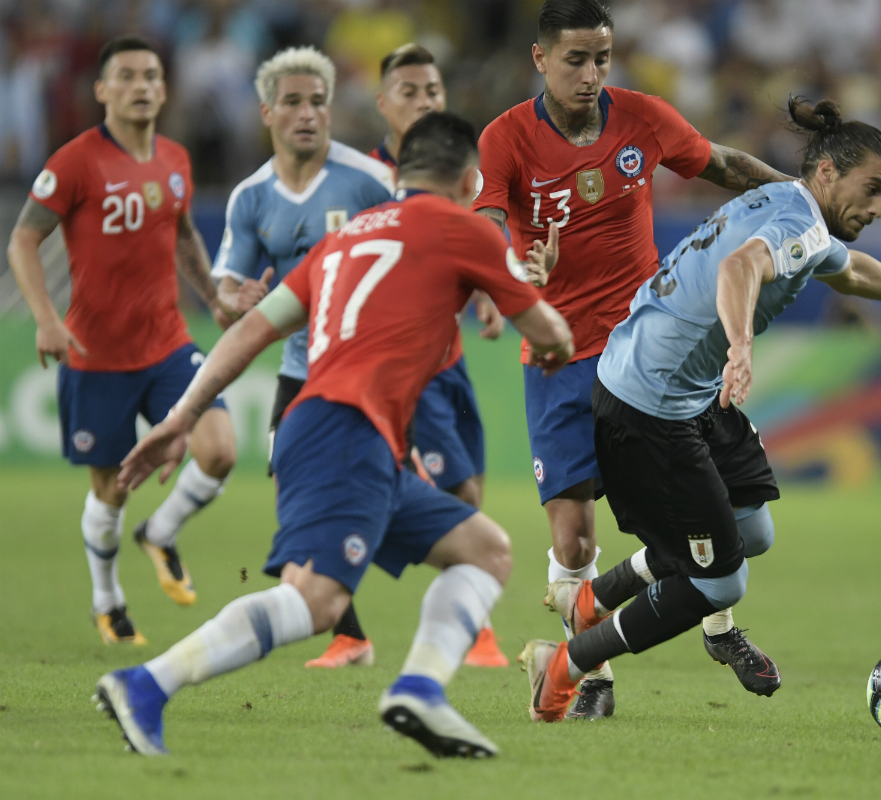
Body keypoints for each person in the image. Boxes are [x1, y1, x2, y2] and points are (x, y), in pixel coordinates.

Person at [94, 112, 573, 758]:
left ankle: (422, 692)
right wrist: (544, 332)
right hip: (347, 431)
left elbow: (249, 332)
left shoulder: (342, 241)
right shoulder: (464, 228)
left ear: (399, 176)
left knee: (485, 549)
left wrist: (181, 415)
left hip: (332, 430)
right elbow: (553, 336)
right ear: (468, 182)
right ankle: (147, 684)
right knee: (316, 601)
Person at [519, 99, 881, 721]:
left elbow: (851, 274)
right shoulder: (798, 224)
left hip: (682, 390)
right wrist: (740, 347)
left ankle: (593, 600)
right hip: (649, 406)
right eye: (872, 189)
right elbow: (741, 267)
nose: (878, 209)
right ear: (827, 172)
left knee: (751, 532)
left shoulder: (794, 208)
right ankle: (563, 663)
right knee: (721, 582)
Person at [473, 0, 800, 716]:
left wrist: (800, 197)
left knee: (723, 510)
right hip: (558, 354)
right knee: (575, 531)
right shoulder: (505, 139)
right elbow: (488, 220)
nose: (591, 75)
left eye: (602, 59)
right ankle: (592, 673)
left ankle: (719, 626)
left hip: (653, 351)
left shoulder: (643, 118)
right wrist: (515, 273)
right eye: (575, 60)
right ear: (540, 60)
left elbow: (722, 164)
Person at [6, 36, 238, 644]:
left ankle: (160, 533)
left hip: (167, 344)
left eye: (152, 76)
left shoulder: (176, 159)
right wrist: (47, 318)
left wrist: (212, 295)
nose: (141, 86)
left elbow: (183, 234)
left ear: (164, 89)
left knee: (219, 450)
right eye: (127, 76)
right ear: (102, 90)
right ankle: (107, 601)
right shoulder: (75, 162)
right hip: (95, 357)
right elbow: (22, 241)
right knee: (109, 493)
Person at [210, 46, 396, 670]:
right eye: (292, 102)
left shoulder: (369, 182)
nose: (308, 114)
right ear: (266, 111)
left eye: (318, 101)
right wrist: (240, 299)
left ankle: (468, 612)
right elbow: (224, 296)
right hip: (300, 371)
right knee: (292, 492)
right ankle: (349, 634)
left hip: (373, 372)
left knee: (399, 500)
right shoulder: (250, 198)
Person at [369, 43, 508, 668]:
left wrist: (488, 291)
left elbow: (487, 233)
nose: (424, 101)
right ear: (384, 105)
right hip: (406, 364)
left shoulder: (466, 177)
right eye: (410, 92)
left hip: (451, 359)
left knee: (470, 484)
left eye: (433, 91)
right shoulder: (365, 178)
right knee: (457, 490)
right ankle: (469, 626)